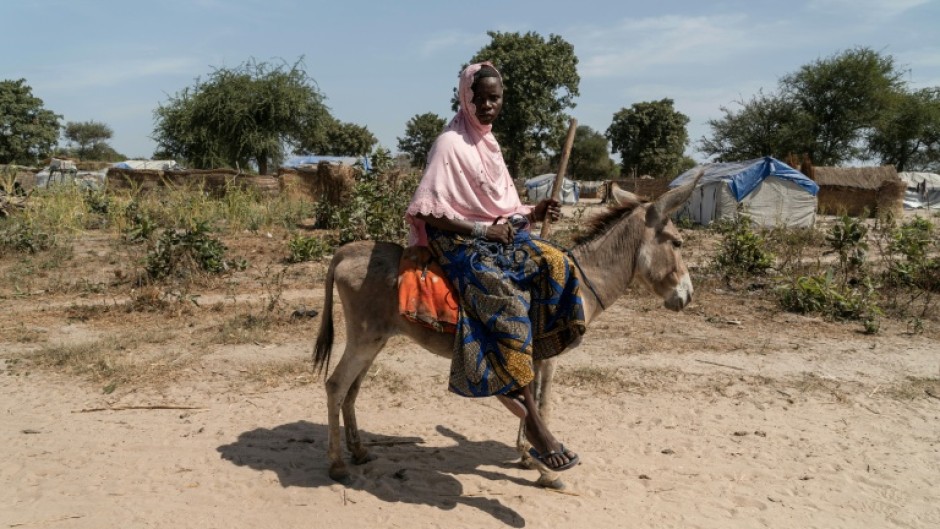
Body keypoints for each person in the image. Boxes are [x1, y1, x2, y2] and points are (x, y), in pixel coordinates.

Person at [405, 62, 586, 471]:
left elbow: (501, 205)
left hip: (496, 232)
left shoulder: (491, 144)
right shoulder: (449, 143)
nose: (487, 105)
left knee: (557, 263)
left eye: (495, 98)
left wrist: (534, 209)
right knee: (503, 300)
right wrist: (483, 234)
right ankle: (535, 425)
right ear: (464, 97)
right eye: (479, 98)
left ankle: (529, 351)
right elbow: (430, 212)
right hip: (457, 240)